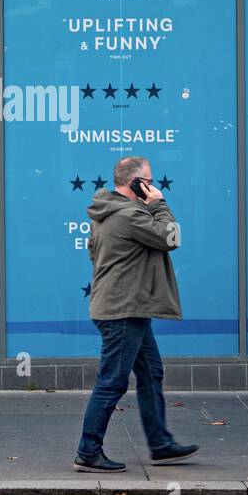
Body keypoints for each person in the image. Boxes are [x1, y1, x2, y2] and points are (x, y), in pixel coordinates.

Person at [74, 155, 199, 471]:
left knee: (150, 371)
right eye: (150, 180)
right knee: (113, 380)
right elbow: (171, 238)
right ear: (137, 183)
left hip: (126, 306)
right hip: (123, 310)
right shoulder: (129, 214)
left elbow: (93, 252)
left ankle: (160, 444)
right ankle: (88, 451)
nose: (154, 185)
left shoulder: (106, 213)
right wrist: (159, 204)